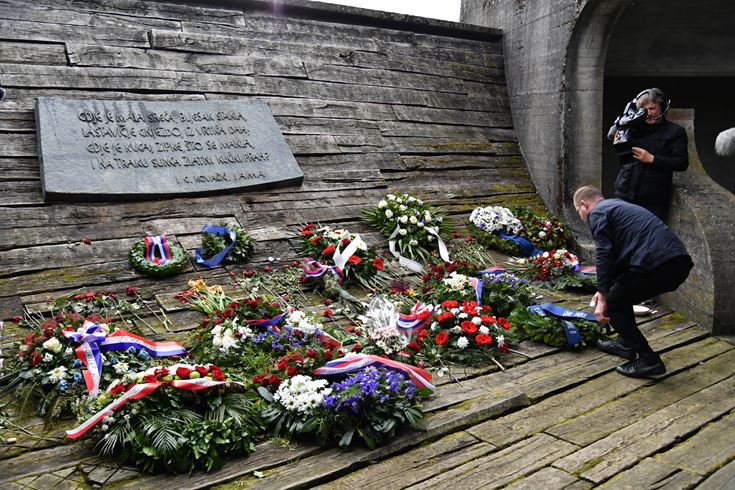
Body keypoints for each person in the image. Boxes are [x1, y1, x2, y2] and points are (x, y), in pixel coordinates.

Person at [573, 185, 693, 377]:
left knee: (613, 303)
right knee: (621, 295)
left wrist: (603, 297)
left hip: (658, 263)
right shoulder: (616, 206)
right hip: (676, 262)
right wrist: (604, 288)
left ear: (583, 204)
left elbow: (604, 254)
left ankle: (649, 360)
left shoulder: (597, 212)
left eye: (578, 211)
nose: (581, 217)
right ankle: (626, 343)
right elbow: (619, 256)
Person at [608, 88, 688, 219]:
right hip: (625, 191)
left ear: (662, 107)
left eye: (652, 108)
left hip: (653, 198)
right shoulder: (633, 127)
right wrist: (622, 126)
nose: (648, 113)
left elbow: (682, 163)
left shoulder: (675, 131)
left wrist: (652, 159)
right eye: (644, 110)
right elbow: (612, 137)